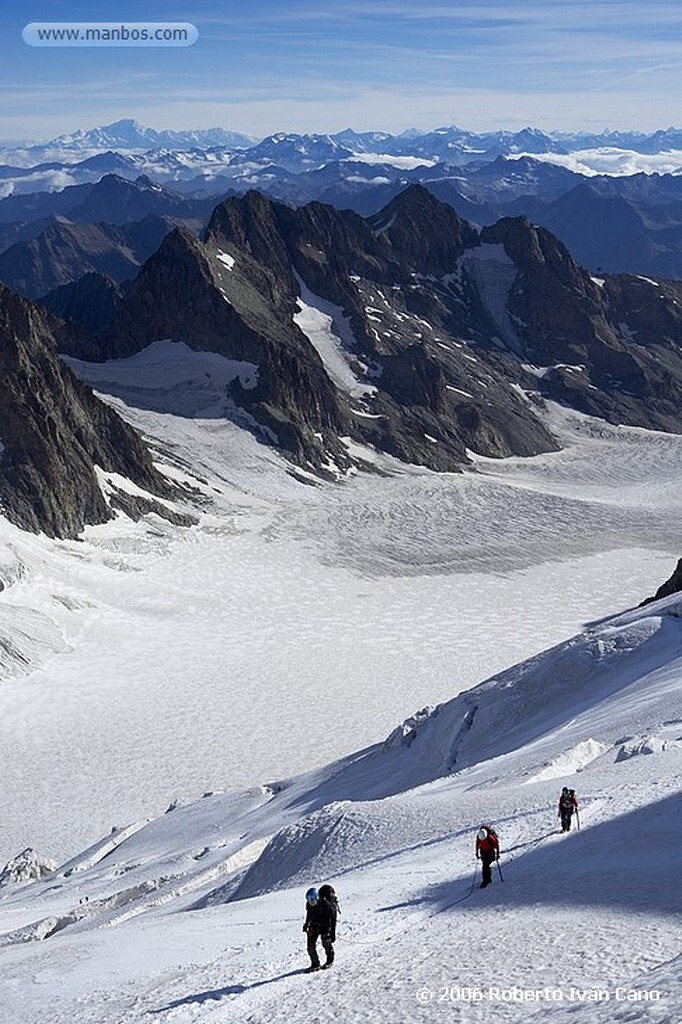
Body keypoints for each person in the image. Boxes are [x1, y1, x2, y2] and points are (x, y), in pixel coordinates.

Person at [302, 884, 338, 971]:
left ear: (317, 898)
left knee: (326, 943)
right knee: (310, 945)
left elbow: (333, 920)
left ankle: (330, 960)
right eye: (309, 899)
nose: (311, 902)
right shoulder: (308, 905)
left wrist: (332, 934)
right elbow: (309, 915)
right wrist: (306, 925)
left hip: (326, 925)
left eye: (313, 899)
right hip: (315, 925)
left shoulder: (326, 905)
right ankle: (315, 964)